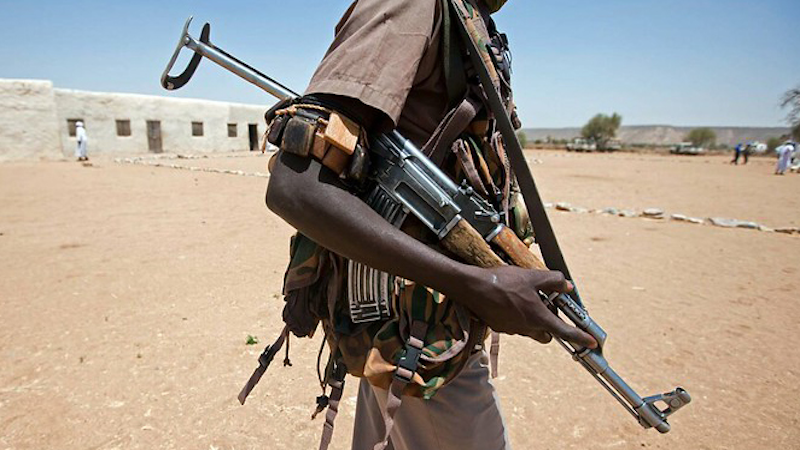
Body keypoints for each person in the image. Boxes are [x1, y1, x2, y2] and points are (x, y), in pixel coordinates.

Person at [263, 1, 596, 449]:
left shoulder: (470, 21)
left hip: (416, 341)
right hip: (420, 340)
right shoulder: (415, 4)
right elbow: (296, 187)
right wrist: (477, 284)